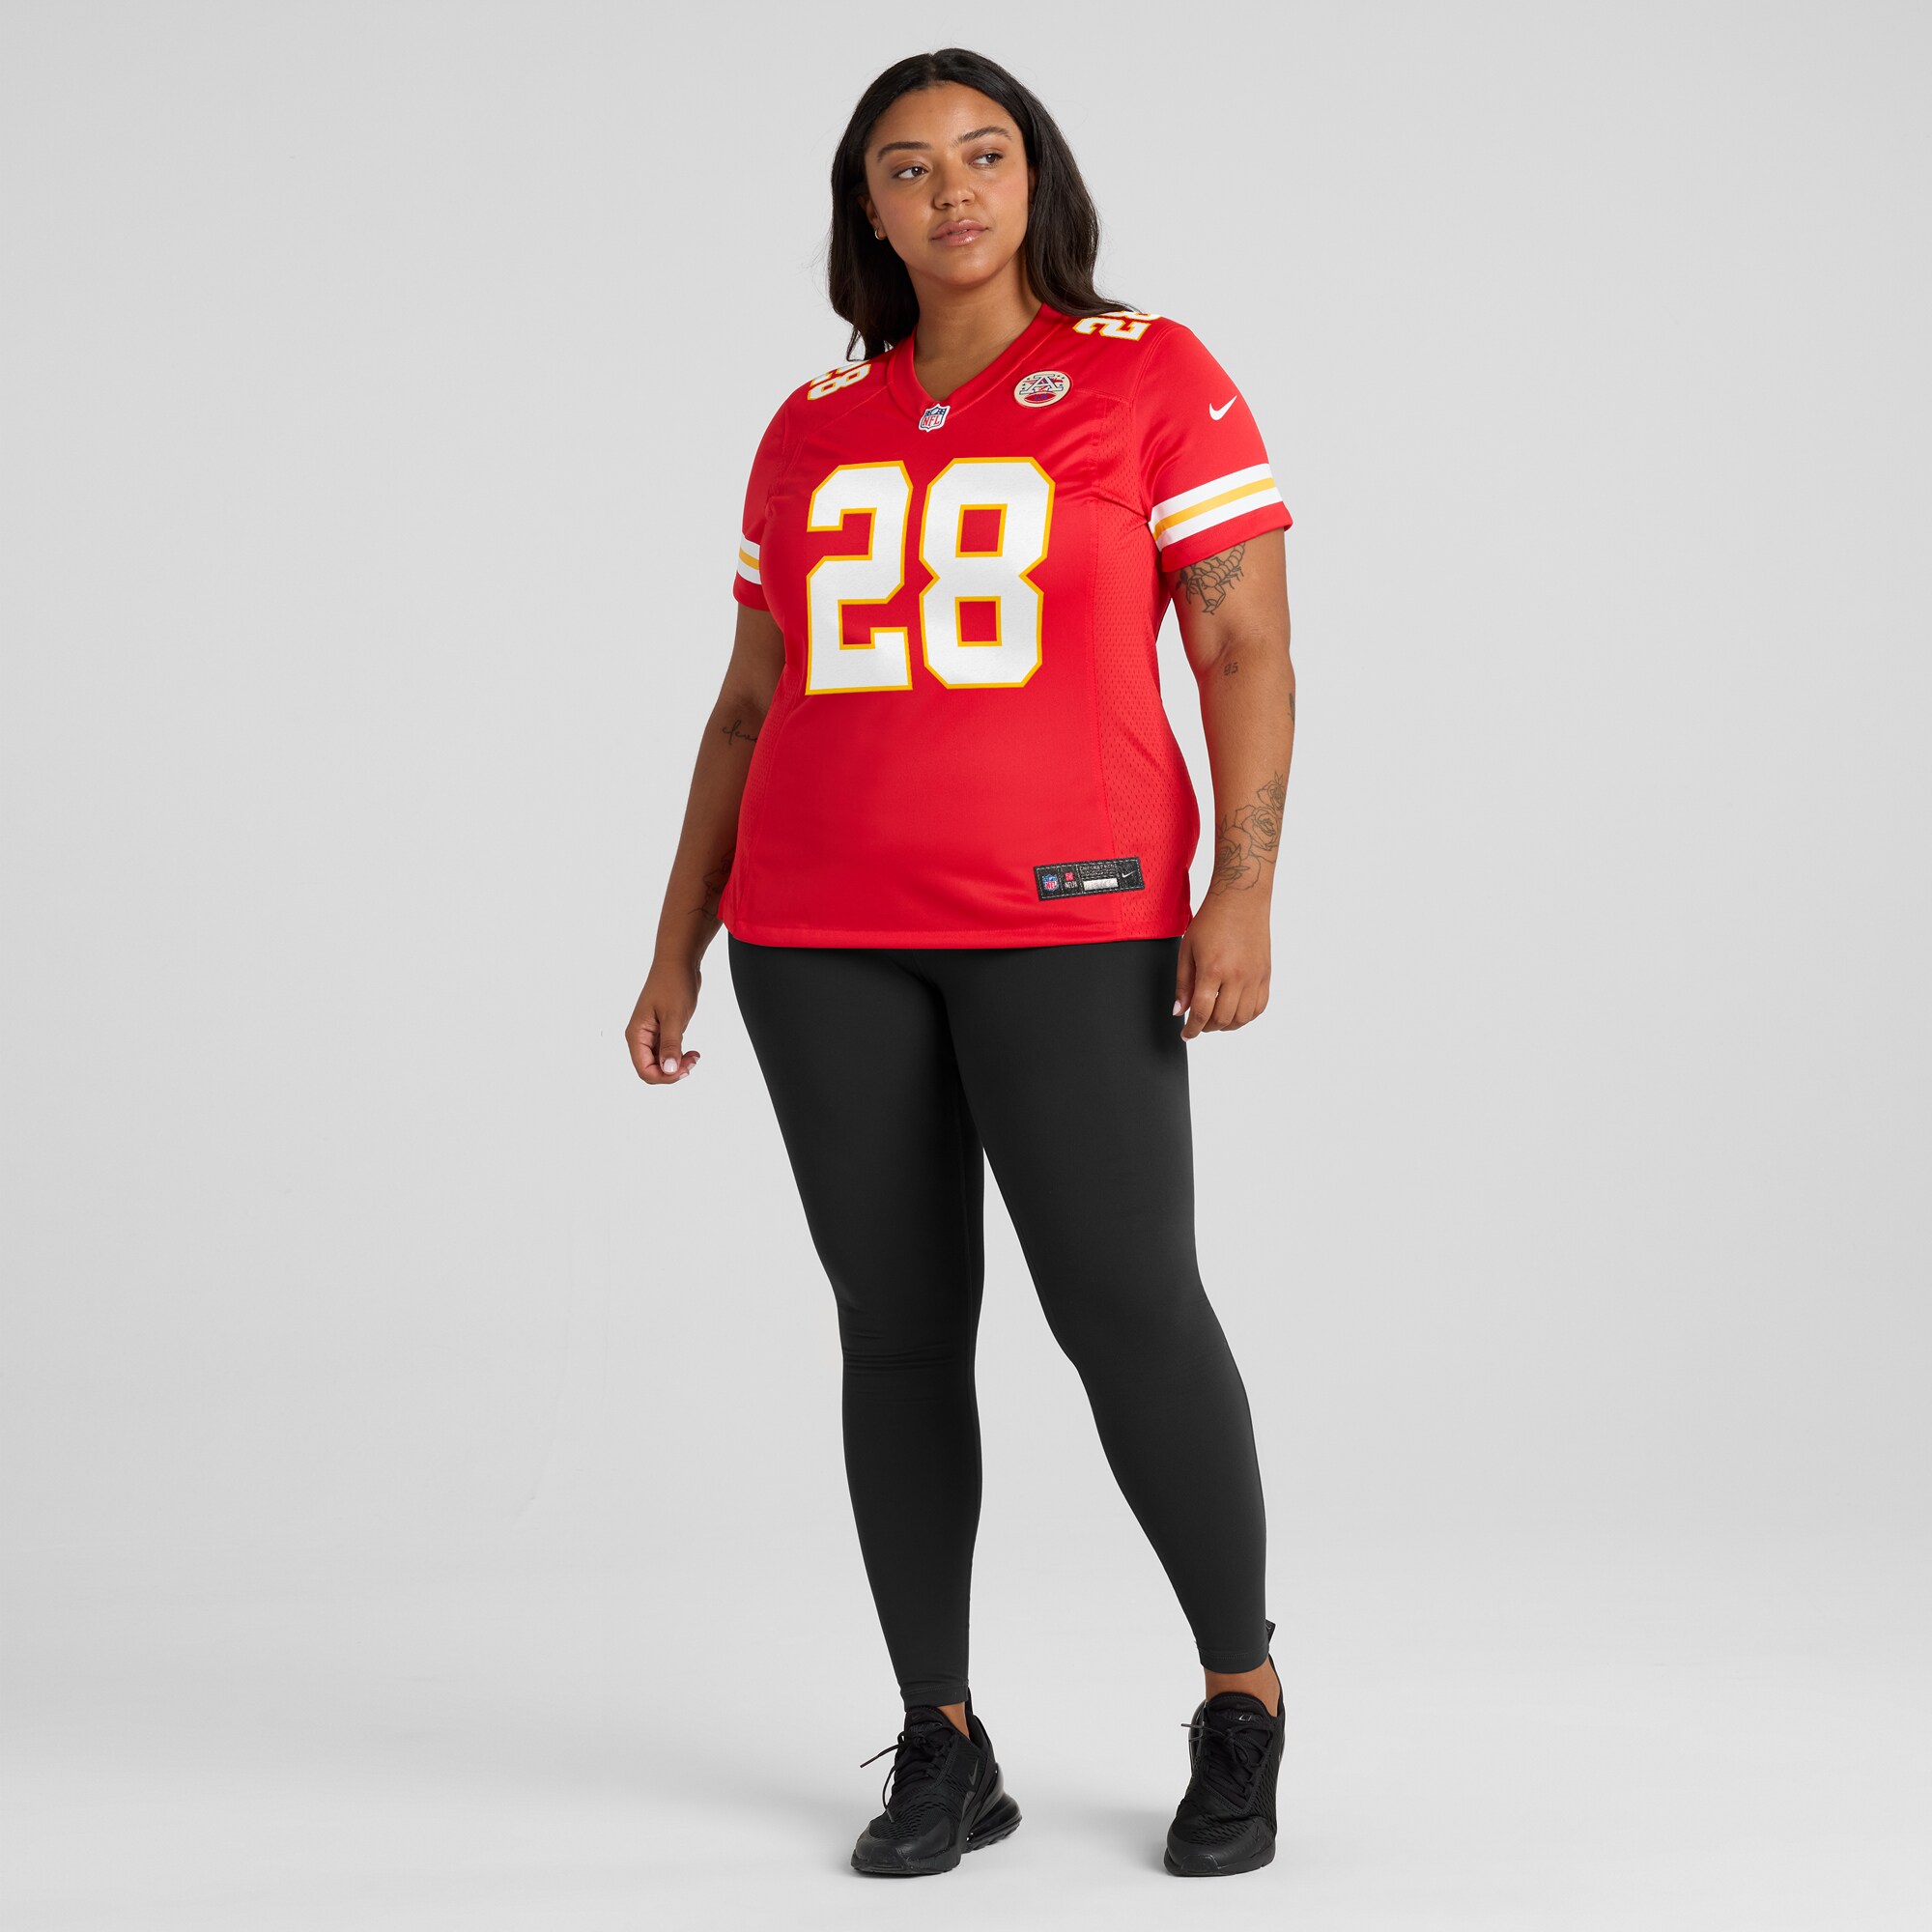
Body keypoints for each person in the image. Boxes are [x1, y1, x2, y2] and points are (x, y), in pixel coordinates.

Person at [624, 46, 1296, 1880]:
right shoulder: (810, 422)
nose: (952, 192)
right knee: (899, 1330)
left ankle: (1239, 1694)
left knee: (1128, 1309)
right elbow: (749, 701)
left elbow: (1244, 652)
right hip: (819, 934)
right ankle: (942, 1735)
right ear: (868, 208)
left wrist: (1239, 887)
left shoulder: (1149, 373)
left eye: (984, 155)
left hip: (1070, 919)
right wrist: (679, 937)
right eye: (909, 167)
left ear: (1037, 178)